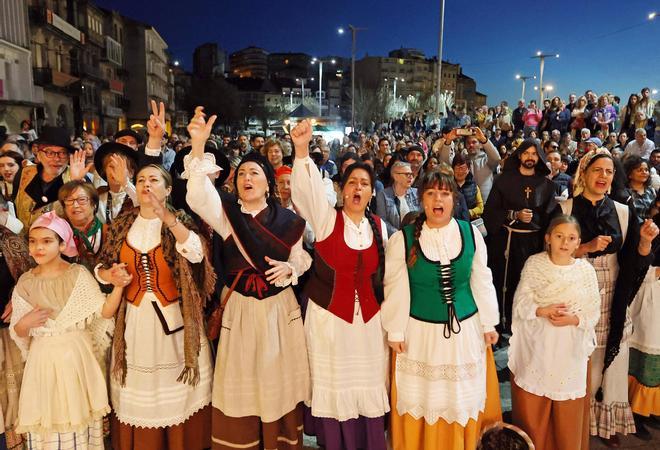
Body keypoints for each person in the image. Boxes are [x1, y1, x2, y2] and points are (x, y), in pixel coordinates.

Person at [185, 108, 311, 450]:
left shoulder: (289, 221)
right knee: (243, 381)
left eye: (254, 172)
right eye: (241, 174)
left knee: (277, 382)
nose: (246, 178)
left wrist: (292, 269)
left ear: (268, 183)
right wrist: (198, 145)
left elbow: (301, 256)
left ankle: (279, 442)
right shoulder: (226, 216)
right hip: (240, 310)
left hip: (278, 312)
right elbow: (197, 196)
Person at [97, 163, 216, 450]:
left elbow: (197, 255)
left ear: (169, 189)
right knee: (141, 392)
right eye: (140, 180)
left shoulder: (181, 220)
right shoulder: (123, 223)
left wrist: (168, 219)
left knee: (177, 390)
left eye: (153, 180)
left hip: (175, 318)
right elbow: (101, 265)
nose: (146, 184)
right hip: (135, 321)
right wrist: (109, 275)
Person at [382, 170, 501, 450]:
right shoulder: (404, 239)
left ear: (453, 198)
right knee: (425, 399)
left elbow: (481, 280)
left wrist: (488, 324)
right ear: (421, 200)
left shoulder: (470, 233)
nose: (439, 199)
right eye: (431, 193)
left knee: (458, 398)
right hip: (420, 335)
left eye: (445, 193)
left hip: (465, 334)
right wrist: (396, 330)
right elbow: (396, 287)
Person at [291, 119, 390, 450]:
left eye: (364, 183)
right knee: (334, 387)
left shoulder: (381, 229)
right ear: (341, 189)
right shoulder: (325, 219)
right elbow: (304, 194)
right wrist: (302, 150)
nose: (358, 189)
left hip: (369, 327)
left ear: (372, 192)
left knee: (368, 387)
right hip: (330, 322)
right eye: (352, 183)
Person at [560, 148, 659, 446]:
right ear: (583, 174)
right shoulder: (564, 208)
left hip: (612, 294)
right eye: (597, 170)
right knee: (578, 358)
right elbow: (551, 256)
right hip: (575, 293)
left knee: (611, 359)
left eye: (609, 172)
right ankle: (575, 420)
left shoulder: (623, 211)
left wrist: (644, 241)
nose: (603, 176)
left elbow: (634, 259)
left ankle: (606, 422)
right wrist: (585, 247)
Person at [9, 211, 124, 449]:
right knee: (47, 415)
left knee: (78, 414)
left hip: (76, 357)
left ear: (62, 244)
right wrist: (25, 323)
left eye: (47, 241)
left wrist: (119, 288)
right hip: (43, 361)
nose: (38, 248)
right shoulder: (25, 282)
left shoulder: (77, 275)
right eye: (33, 241)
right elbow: (18, 331)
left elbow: (103, 312)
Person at [508, 215, 600, 450]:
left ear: (578, 242)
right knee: (534, 410)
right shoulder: (535, 264)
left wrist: (574, 319)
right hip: (539, 346)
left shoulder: (585, 271)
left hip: (569, 351)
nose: (564, 243)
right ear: (548, 238)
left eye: (571, 238)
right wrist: (541, 309)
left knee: (566, 412)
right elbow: (519, 303)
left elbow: (593, 312)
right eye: (559, 236)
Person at [483, 140, 559, 335]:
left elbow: (552, 216)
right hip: (506, 242)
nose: (530, 157)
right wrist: (513, 215)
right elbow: (490, 212)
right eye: (527, 153)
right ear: (519, 155)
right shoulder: (503, 180)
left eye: (534, 154)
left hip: (533, 244)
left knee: (528, 285)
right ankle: (501, 325)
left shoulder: (547, 185)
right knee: (504, 284)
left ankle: (527, 326)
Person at [0, 224, 32, 450]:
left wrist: (17, 297)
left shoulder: (10, 240)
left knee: (13, 394)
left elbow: (30, 275)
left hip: (8, 331)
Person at [627, 230, 660, 440]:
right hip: (651, 299)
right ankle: (636, 414)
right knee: (645, 360)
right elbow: (638, 265)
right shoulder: (653, 228)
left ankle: (653, 410)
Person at [437, 127, 501, 201]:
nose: (471, 145)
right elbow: (444, 163)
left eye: (474, 142)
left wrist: (483, 139)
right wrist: (448, 141)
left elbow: (496, 158)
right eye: (468, 143)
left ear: (481, 145)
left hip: (487, 204)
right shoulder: (461, 161)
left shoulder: (487, 160)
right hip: (466, 207)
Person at [58, 180, 107, 274]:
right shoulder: (58, 234)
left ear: (94, 204)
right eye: (69, 200)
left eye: (82, 200)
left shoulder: (108, 232)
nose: (75, 205)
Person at [93, 142, 139, 224]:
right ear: (104, 171)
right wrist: (76, 180)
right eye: (111, 166)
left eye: (121, 166)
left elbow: (145, 207)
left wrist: (125, 183)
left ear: (131, 172)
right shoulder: (98, 196)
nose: (116, 171)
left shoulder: (137, 196)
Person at [376, 161, 420, 236]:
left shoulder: (417, 193)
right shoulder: (383, 195)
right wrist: (400, 235)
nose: (411, 177)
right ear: (395, 176)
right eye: (407, 174)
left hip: (415, 236)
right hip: (394, 238)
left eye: (411, 174)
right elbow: (382, 221)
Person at [452, 153, 484, 220]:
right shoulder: (448, 186)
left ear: (468, 169)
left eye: (463, 168)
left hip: (470, 222)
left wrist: (468, 213)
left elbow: (481, 207)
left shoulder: (474, 186)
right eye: (457, 168)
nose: (460, 171)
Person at [624, 156, 656, 221]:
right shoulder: (624, 193)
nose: (644, 172)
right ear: (629, 174)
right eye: (639, 170)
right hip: (633, 228)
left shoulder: (652, 191)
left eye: (646, 170)